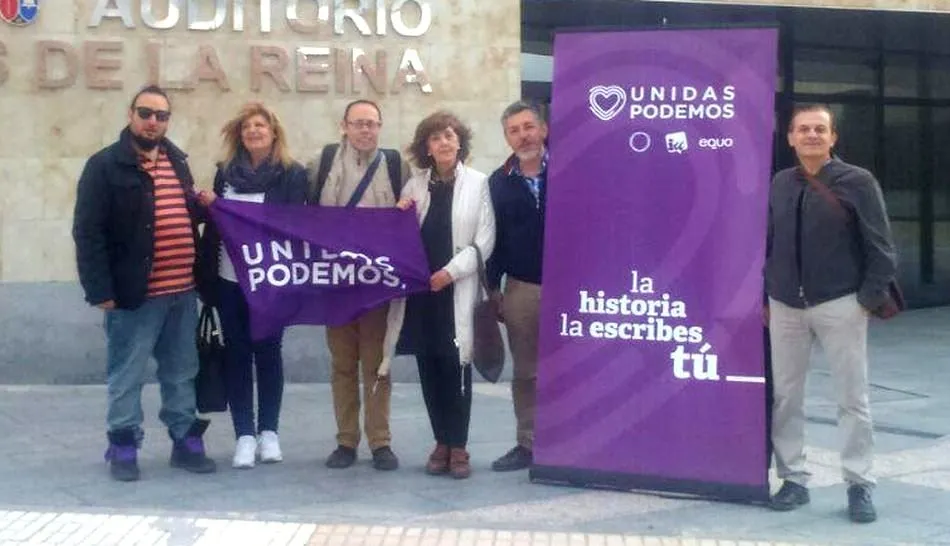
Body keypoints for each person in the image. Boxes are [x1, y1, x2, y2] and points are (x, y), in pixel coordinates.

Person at [72, 84, 217, 482]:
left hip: (182, 293)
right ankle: (122, 444)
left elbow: (179, 214)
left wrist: (206, 208)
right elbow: (88, 233)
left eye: (161, 116)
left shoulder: (177, 161)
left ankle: (184, 439)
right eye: (146, 113)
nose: (153, 122)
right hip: (133, 295)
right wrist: (99, 289)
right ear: (130, 114)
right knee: (127, 373)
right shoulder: (104, 166)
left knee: (181, 370)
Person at [765, 104, 898, 523]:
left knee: (851, 399)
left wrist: (865, 300)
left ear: (833, 138)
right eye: (803, 129)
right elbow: (767, 242)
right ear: (790, 138)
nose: (811, 135)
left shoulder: (857, 181)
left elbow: (882, 247)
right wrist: (764, 295)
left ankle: (859, 484)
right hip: (785, 305)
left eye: (820, 129)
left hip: (840, 303)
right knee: (787, 398)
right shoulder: (780, 183)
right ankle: (793, 480)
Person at [195, 102, 308, 469]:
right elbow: (217, 225)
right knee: (238, 355)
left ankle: (269, 432)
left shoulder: (292, 175)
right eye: (248, 127)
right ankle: (244, 434)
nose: (254, 131)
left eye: (261, 125)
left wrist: (229, 211)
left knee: (269, 353)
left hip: (270, 280)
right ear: (239, 136)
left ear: (274, 132)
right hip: (229, 278)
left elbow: (290, 225)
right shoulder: (225, 175)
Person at [387, 111, 495, 479]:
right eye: (435, 138)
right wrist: (398, 215)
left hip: (454, 289)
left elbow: (484, 241)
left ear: (459, 141)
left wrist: (450, 273)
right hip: (421, 293)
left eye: (449, 135)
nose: (444, 142)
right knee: (429, 370)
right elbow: (398, 235)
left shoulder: (479, 184)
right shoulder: (414, 186)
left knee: (456, 370)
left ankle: (459, 445)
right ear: (427, 148)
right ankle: (440, 443)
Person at [306, 100, 411, 471]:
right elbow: (301, 217)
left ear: (380, 127)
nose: (366, 130)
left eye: (372, 124)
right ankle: (346, 441)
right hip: (336, 284)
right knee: (343, 366)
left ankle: (380, 442)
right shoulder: (323, 163)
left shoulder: (397, 166)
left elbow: (412, 214)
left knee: (378, 365)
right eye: (358, 123)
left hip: (376, 286)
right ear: (344, 126)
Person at [485, 101, 548, 472]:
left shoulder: (572, 170)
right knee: (526, 372)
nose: (523, 135)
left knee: (576, 366)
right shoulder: (498, 182)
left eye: (528, 126)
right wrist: (493, 290)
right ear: (507, 138)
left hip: (574, 287)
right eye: (514, 130)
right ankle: (528, 443)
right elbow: (492, 240)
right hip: (522, 289)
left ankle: (575, 440)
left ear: (543, 129)